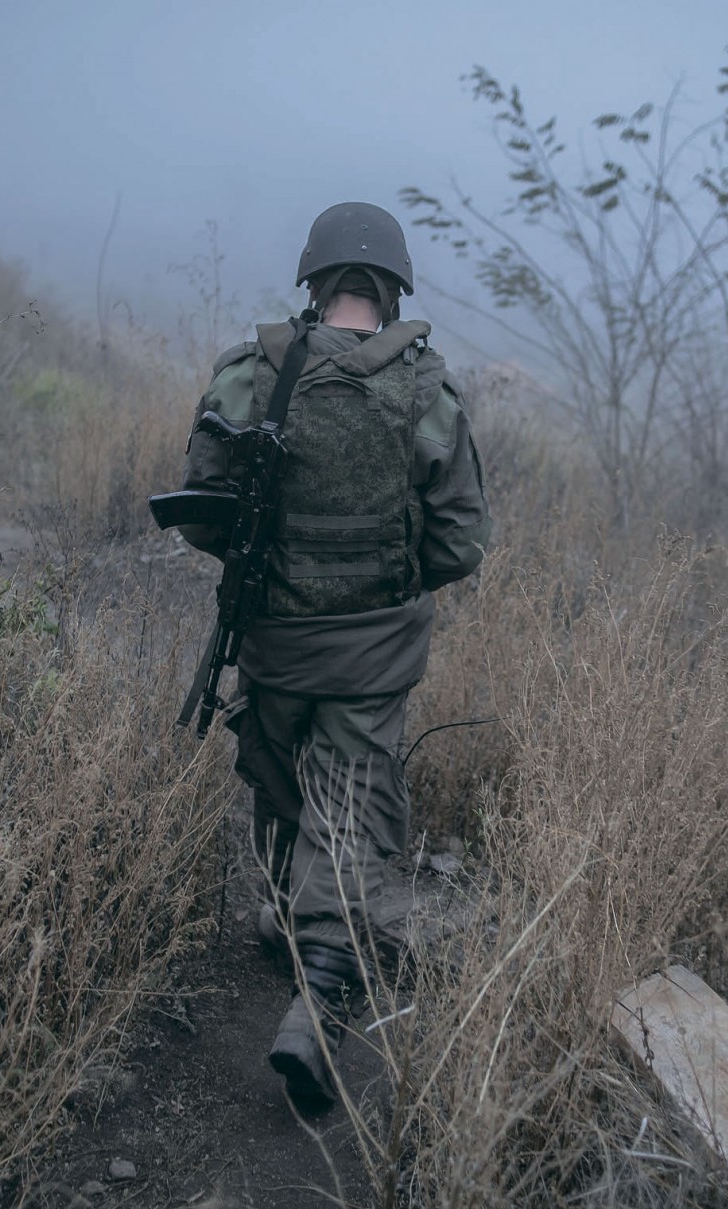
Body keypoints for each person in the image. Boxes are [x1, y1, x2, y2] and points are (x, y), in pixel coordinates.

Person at [172, 201, 493, 1112]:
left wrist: (274, 573)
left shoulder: (249, 375)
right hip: (373, 652)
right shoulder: (428, 393)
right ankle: (316, 1007)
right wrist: (390, 582)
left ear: (314, 285)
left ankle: (289, 919)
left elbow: (201, 510)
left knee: (280, 783)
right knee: (347, 808)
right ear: (392, 293)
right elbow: (462, 542)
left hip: (275, 642)